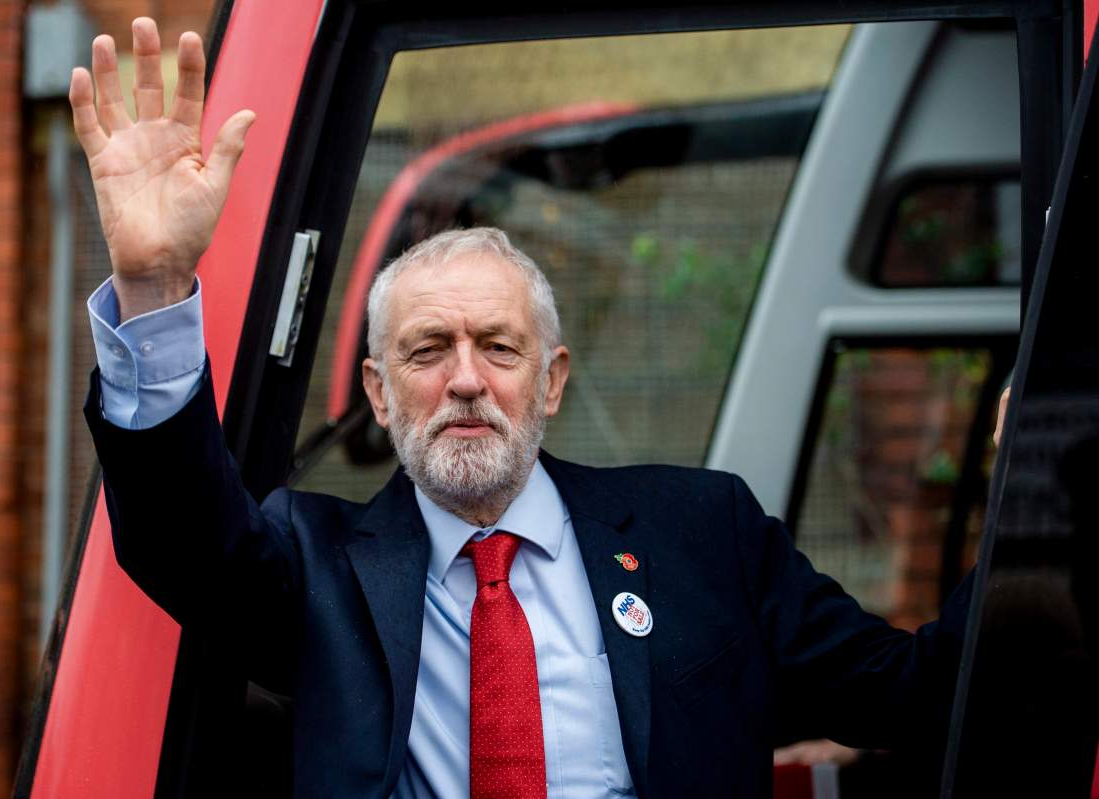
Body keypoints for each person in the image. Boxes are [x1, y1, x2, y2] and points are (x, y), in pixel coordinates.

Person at [73, 18, 974, 798]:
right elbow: (181, 537)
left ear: (550, 380)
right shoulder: (318, 566)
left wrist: (1037, 470)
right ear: (380, 395)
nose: (466, 378)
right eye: (428, 350)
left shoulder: (707, 532)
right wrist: (151, 284)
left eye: (499, 347)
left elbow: (920, 690)